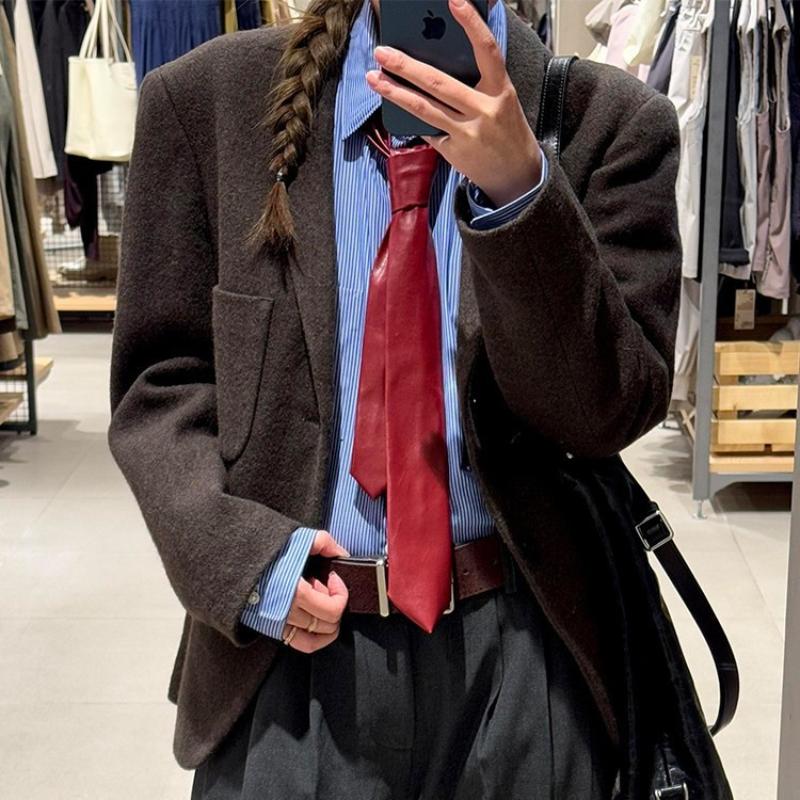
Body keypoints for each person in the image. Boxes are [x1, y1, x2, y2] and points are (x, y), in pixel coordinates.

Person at [107, 0, 682, 796]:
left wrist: (522, 194)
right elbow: (158, 383)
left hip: (525, 654)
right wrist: (243, 563)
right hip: (286, 656)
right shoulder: (209, 103)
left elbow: (605, 413)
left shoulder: (608, 123)